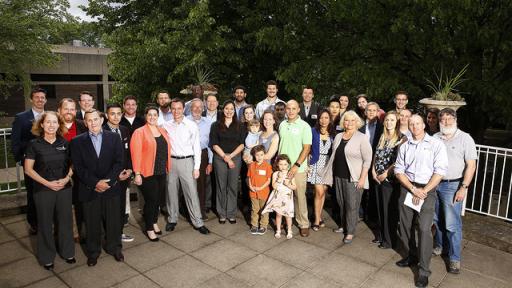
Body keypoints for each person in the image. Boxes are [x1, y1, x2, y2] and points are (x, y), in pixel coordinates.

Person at [394, 114, 448, 288]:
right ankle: (411, 256)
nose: (415, 126)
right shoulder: (404, 146)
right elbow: (399, 170)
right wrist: (412, 189)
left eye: (418, 123)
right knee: (404, 226)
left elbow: (439, 171)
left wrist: (423, 191)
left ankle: (424, 271)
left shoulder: (436, 145)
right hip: (408, 188)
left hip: (427, 190)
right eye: (411, 124)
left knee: (424, 229)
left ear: (423, 125)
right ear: (408, 126)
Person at [70, 110, 125, 266]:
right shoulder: (77, 141)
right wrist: (95, 183)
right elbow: (79, 168)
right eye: (89, 120)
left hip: (111, 187)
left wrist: (108, 182)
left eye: (95, 119)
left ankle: (114, 248)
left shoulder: (114, 138)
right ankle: (93, 252)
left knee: (113, 221)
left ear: (102, 120)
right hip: (89, 189)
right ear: (85, 122)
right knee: (91, 223)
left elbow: (119, 162)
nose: (93, 123)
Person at [24, 112, 75, 270]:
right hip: (43, 190)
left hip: (64, 189)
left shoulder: (64, 143)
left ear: (59, 125)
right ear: (42, 125)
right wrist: (48, 183)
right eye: (48, 122)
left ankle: (68, 252)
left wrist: (66, 179)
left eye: (55, 122)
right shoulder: (34, 144)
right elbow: (28, 170)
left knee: (65, 222)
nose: (51, 125)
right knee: (45, 223)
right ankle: (47, 257)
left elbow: (73, 165)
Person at [433, 108, 477, 274]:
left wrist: (464, 187)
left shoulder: (465, 138)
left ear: (455, 119)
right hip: (435, 183)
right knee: (436, 219)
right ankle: (440, 247)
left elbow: (471, 165)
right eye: (443, 119)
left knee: (452, 224)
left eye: (449, 118)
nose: (446, 121)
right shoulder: (435, 137)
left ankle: (454, 258)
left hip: (453, 185)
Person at [321, 111, 372, 244]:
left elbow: (367, 160)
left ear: (357, 122)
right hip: (338, 175)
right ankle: (344, 225)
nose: (349, 123)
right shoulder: (338, 136)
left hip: (354, 178)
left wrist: (362, 178)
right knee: (341, 202)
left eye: (352, 121)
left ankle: (350, 231)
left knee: (352, 205)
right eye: (346, 120)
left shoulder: (362, 137)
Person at [163, 98, 209, 234]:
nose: (176, 111)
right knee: (171, 192)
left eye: (179, 108)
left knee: (191, 193)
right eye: (174, 108)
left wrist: (196, 167)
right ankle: (172, 219)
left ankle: (198, 222)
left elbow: (197, 148)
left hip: (187, 162)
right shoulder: (166, 125)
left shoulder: (191, 125)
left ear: (183, 109)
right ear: (170, 110)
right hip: (171, 162)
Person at [130, 106, 172, 241]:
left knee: (158, 200)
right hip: (147, 172)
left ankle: (154, 222)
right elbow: (135, 154)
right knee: (151, 201)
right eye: (150, 114)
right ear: (145, 116)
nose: (152, 117)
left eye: (155, 114)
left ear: (158, 116)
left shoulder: (162, 130)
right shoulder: (139, 132)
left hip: (161, 171)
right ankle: (149, 228)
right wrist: (137, 173)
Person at [11, 87, 47, 234]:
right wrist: (20, 159)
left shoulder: (51, 116)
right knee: (32, 193)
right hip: (30, 162)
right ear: (31, 99)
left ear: (45, 99)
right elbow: (15, 141)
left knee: (47, 191)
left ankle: (47, 220)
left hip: (48, 162)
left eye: (42, 97)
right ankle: (34, 223)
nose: (40, 100)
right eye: (37, 97)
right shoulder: (21, 117)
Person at [278, 100, 312, 237]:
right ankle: (286, 220)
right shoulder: (282, 124)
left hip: (298, 168)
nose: (291, 111)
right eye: (288, 108)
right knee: (283, 194)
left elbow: (306, 148)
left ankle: (303, 223)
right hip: (282, 167)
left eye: (294, 108)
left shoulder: (305, 126)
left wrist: (296, 165)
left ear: (299, 110)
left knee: (299, 196)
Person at [209, 100, 245, 224]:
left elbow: (242, 144)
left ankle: (231, 213)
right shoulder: (216, 125)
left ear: (234, 111)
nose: (229, 111)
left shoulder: (240, 125)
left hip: (235, 158)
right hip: (220, 158)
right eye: (226, 109)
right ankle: (222, 213)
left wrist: (231, 157)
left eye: (231, 109)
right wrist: (225, 156)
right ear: (223, 110)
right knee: (221, 186)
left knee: (233, 186)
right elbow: (214, 144)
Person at [371, 111, 403, 249]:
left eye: (392, 120)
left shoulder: (401, 138)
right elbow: (376, 154)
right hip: (377, 178)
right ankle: (382, 236)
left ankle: (389, 241)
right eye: (387, 120)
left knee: (389, 211)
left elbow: (399, 161)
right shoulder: (382, 136)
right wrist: (373, 170)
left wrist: (386, 173)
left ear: (397, 122)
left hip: (389, 180)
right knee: (379, 209)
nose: (389, 122)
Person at [57, 98, 87, 242]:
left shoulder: (83, 125)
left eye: (72, 109)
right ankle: (67, 232)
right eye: (66, 108)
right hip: (60, 171)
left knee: (79, 201)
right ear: (59, 110)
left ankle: (80, 230)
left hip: (80, 171)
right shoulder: (53, 126)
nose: (69, 111)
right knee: (64, 204)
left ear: (75, 111)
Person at [103, 104, 134, 242]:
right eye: (112, 113)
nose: (116, 116)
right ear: (106, 115)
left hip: (124, 176)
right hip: (109, 178)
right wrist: (115, 175)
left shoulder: (125, 130)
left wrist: (130, 169)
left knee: (121, 207)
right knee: (109, 209)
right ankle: (108, 234)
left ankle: (119, 233)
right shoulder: (102, 131)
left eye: (118, 113)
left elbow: (128, 153)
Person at [188, 98, 214, 220]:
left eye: (200, 107)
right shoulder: (185, 120)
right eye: (195, 107)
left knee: (202, 184)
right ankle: (189, 211)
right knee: (188, 184)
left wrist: (210, 161)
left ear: (203, 109)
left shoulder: (208, 122)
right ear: (190, 108)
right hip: (188, 154)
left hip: (203, 154)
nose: (197, 109)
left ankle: (201, 211)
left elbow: (210, 143)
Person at [308, 109, 333, 231]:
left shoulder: (333, 133)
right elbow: (307, 147)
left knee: (323, 191)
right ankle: (316, 220)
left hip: (328, 165)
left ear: (330, 119)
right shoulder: (313, 131)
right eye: (321, 118)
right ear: (318, 119)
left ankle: (319, 215)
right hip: (316, 163)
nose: (324, 120)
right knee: (319, 192)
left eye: (326, 118)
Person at [358, 102, 384, 223]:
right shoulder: (360, 127)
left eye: (374, 110)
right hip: (361, 162)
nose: (371, 113)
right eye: (369, 110)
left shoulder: (382, 127)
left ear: (378, 112)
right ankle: (361, 212)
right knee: (361, 188)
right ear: (365, 112)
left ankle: (371, 217)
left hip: (375, 163)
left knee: (373, 191)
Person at [262, 154, 296, 239]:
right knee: (278, 214)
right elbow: (274, 186)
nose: (283, 166)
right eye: (281, 164)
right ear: (277, 164)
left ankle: (289, 230)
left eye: (285, 164)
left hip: (287, 198)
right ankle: (278, 230)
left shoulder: (290, 174)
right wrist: (279, 180)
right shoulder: (275, 174)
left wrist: (288, 184)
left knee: (288, 215)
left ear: (288, 164)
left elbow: (295, 187)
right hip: (278, 197)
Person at [247, 145, 273, 235]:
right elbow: (249, 177)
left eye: (261, 155)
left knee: (263, 209)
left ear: (264, 154)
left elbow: (269, 180)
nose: (259, 157)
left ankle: (263, 225)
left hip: (263, 192)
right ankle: (254, 225)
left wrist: (260, 188)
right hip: (253, 192)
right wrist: (250, 186)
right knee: (255, 209)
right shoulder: (252, 165)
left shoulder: (267, 166)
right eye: (257, 155)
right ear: (254, 155)